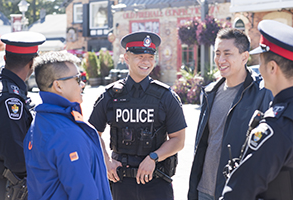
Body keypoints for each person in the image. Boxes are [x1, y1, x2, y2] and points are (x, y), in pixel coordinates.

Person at [89, 31, 187, 200]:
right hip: (120, 181)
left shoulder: (166, 96)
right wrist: (106, 161)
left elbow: (178, 140)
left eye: (150, 57)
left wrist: (153, 157)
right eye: (140, 56)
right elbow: (92, 133)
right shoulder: (110, 95)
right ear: (126, 58)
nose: (146, 62)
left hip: (156, 182)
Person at [187, 28, 273, 200]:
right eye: (217, 53)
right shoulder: (210, 92)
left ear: (244, 57)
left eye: (227, 53)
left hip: (237, 191)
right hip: (203, 189)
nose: (220, 60)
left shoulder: (263, 92)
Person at [23, 51, 112, 200]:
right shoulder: (66, 133)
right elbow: (84, 193)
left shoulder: (40, 121)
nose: (83, 84)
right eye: (78, 79)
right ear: (58, 86)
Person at [220, 20, 293, 200]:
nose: (259, 69)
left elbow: (237, 194)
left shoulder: (276, 128)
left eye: (261, 62)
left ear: (272, 67)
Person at [0, 31, 45, 200]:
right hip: (3, 188)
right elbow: (16, 160)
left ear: (6, 58)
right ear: (32, 63)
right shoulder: (11, 100)